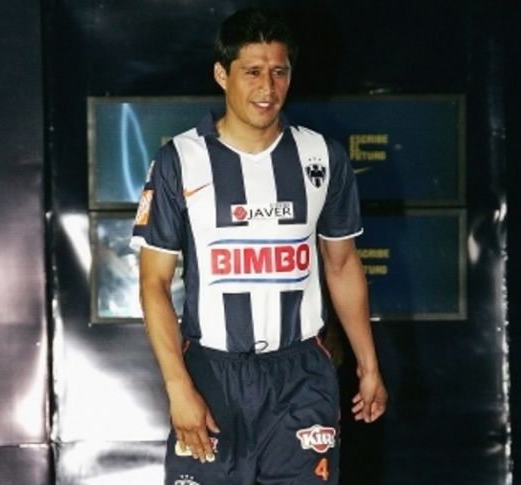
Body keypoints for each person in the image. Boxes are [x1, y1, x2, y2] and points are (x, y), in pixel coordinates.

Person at [131, 8, 387, 484]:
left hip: (301, 373)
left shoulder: (322, 157)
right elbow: (154, 284)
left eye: (279, 71)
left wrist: (369, 364)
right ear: (221, 74)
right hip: (212, 372)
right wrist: (178, 387)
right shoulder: (179, 160)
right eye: (252, 72)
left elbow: (343, 265)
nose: (267, 88)